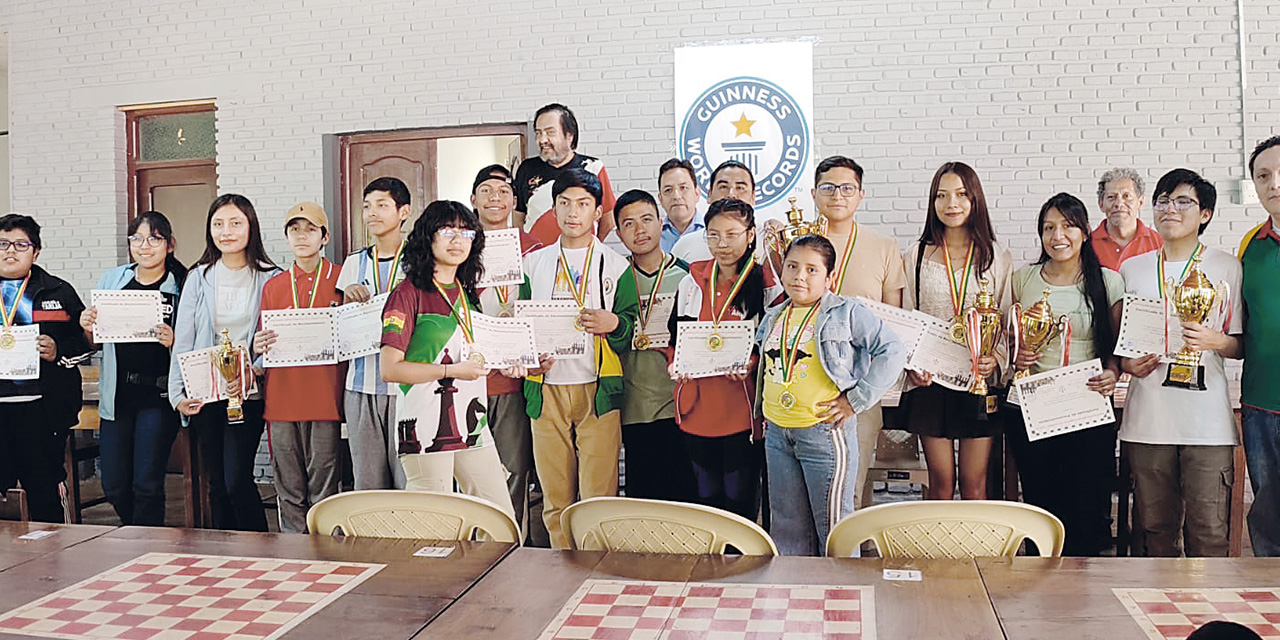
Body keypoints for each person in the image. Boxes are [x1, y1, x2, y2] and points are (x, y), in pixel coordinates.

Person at [1119, 169, 1242, 557]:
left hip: (1206, 423)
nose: (1170, 209)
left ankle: (1210, 615)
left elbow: (1239, 344)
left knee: (1208, 533)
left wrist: (1215, 341)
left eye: (1183, 201)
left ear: (1205, 213)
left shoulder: (1227, 267)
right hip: (1147, 419)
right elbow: (1121, 343)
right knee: (1154, 533)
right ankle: (1155, 614)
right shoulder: (1133, 269)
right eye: (1162, 200)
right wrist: (1127, 363)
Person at [757, 235, 906, 555]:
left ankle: (839, 600)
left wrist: (856, 399)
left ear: (829, 277)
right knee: (786, 526)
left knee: (834, 526)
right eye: (793, 266)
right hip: (778, 434)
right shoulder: (774, 316)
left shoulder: (846, 312)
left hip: (823, 433)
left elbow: (893, 351)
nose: (800, 276)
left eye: (812, 269)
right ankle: (796, 597)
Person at [521, 169, 637, 548]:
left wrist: (614, 321)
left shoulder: (615, 265)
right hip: (546, 389)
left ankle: (596, 570)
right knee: (554, 496)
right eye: (565, 203)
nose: (573, 212)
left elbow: (633, 328)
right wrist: (528, 358)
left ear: (597, 212)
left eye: (583, 204)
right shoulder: (532, 265)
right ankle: (559, 566)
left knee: (598, 493)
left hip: (596, 389)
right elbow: (520, 325)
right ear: (554, 210)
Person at [380, 200, 516, 522]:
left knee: (499, 516)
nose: (458, 240)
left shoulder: (466, 294)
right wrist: (451, 371)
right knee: (433, 522)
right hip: (423, 422)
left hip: (472, 420)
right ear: (427, 237)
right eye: (447, 231)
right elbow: (390, 368)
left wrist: (509, 363)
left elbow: (474, 356)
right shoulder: (409, 292)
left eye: (466, 232)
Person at [1006, 193, 1123, 556]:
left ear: (1085, 232)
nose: (1058, 235)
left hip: (1087, 405)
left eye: (1068, 226)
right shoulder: (1022, 279)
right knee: (1041, 500)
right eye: (1049, 227)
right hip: (1033, 407)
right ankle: (1039, 583)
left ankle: (1084, 588)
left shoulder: (1108, 281)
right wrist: (1016, 355)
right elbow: (1005, 337)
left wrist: (1113, 372)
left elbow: (1117, 346)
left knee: (1087, 502)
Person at [168, 194, 280, 531]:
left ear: (251, 228)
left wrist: (257, 365)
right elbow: (182, 338)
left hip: (248, 391)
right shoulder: (199, 276)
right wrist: (177, 394)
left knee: (236, 479)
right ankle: (224, 556)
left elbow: (276, 336)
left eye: (235, 223)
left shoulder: (271, 277)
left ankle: (261, 551)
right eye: (218, 224)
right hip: (205, 394)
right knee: (216, 482)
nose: (226, 231)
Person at [902, 162, 1012, 501]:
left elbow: (1006, 321)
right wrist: (911, 364)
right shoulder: (916, 255)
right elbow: (906, 319)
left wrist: (996, 359)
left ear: (975, 199)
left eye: (962, 194)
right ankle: (937, 553)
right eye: (942, 195)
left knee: (975, 481)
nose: (952, 204)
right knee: (940, 480)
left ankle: (974, 553)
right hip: (931, 382)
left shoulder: (995, 256)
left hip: (977, 382)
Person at [669, 197, 782, 520]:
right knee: (706, 495)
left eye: (732, 235)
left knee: (740, 495)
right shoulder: (692, 281)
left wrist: (754, 362)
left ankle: (743, 564)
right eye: (714, 235)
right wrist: (674, 363)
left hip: (742, 408)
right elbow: (678, 336)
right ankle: (712, 565)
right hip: (698, 405)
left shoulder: (767, 284)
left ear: (750, 235)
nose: (722, 244)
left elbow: (775, 341)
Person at [807, 155, 907, 508]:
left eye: (847, 188)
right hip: (805, 386)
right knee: (806, 495)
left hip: (860, 390)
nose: (837, 195)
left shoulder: (883, 247)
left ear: (861, 195)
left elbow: (893, 322)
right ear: (814, 194)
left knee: (852, 490)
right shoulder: (797, 244)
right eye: (828, 187)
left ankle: (851, 561)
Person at [80, 211, 187, 526]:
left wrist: (175, 340)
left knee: (147, 482)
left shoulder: (182, 283)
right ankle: (135, 532)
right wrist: (87, 326)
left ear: (169, 245)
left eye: (154, 238)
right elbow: (94, 342)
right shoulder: (113, 280)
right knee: (113, 482)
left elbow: (195, 337)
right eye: (137, 238)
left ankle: (146, 547)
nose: (145, 246)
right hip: (118, 395)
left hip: (158, 393)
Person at [252, 202, 343, 534]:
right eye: (294, 230)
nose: (301, 236)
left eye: (310, 229)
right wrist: (259, 346)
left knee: (325, 477)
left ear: (325, 236)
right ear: (286, 237)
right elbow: (262, 346)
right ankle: (294, 549)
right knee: (288, 481)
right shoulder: (274, 286)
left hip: (325, 397)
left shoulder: (342, 280)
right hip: (282, 398)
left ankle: (326, 547)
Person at [0, 214, 92, 523]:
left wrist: (58, 351)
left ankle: (56, 559)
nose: (9, 251)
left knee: (44, 492)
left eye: (20, 244)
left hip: (42, 411)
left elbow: (87, 345)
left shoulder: (58, 291)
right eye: (2, 244)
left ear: (35, 251)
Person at [472, 164, 543, 531]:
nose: (494, 198)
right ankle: (480, 542)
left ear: (515, 200)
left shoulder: (534, 248)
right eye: (486, 190)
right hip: (472, 378)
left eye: (502, 191)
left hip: (518, 379)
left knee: (516, 468)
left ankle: (513, 541)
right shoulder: (462, 248)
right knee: (471, 469)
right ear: (473, 200)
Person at [613, 189, 696, 502]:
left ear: (661, 223)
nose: (640, 230)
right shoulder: (615, 276)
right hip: (633, 404)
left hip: (679, 402)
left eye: (646, 220)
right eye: (629, 224)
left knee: (686, 495)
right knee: (645, 498)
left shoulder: (688, 276)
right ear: (619, 233)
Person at [337, 177, 411, 490]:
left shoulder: (419, 262)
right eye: (367, 206)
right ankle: (371, 541)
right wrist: (348, 299)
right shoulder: (354, 262)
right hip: (361, 385)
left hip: (407, 388)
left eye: (382, 205)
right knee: (367, 480)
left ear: (403, 212)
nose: (372, 213)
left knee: (408, 477)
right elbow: (341, 328)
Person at [1240, 135, 1280, 557]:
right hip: (1261, 406)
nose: (1274, 184)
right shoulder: (1249, 246)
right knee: (1269, 516)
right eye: (1264, 176)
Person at [515, 103, 618, 246]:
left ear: (569, 136)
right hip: (537, 259)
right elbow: (518, 218)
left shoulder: (592, 167)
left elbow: (608, 217)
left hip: (582, 258)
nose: (542, 140)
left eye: (550, 132)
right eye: (538, 133)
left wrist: (591, 244)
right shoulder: (526, 168)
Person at [671, 160, 756, 264]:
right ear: (709, 194)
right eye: (723, 187)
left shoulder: (768, 242)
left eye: (740, 188)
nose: (731, 194)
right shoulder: (686, 244)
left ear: (753, 197)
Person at [1092, 168, 1162, 271]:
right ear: (1101, 204)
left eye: (1127, 196)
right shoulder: (1088, 245)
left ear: (1140, 202)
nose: (1119, 204)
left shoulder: (1159, 243)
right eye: (1111, 197)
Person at [657, 158, 704, 252]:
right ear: (660, 199)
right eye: (668, 190)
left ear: (697, 193)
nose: (676, 196)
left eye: (683, 188)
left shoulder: (711, 232)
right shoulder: (653, 238)